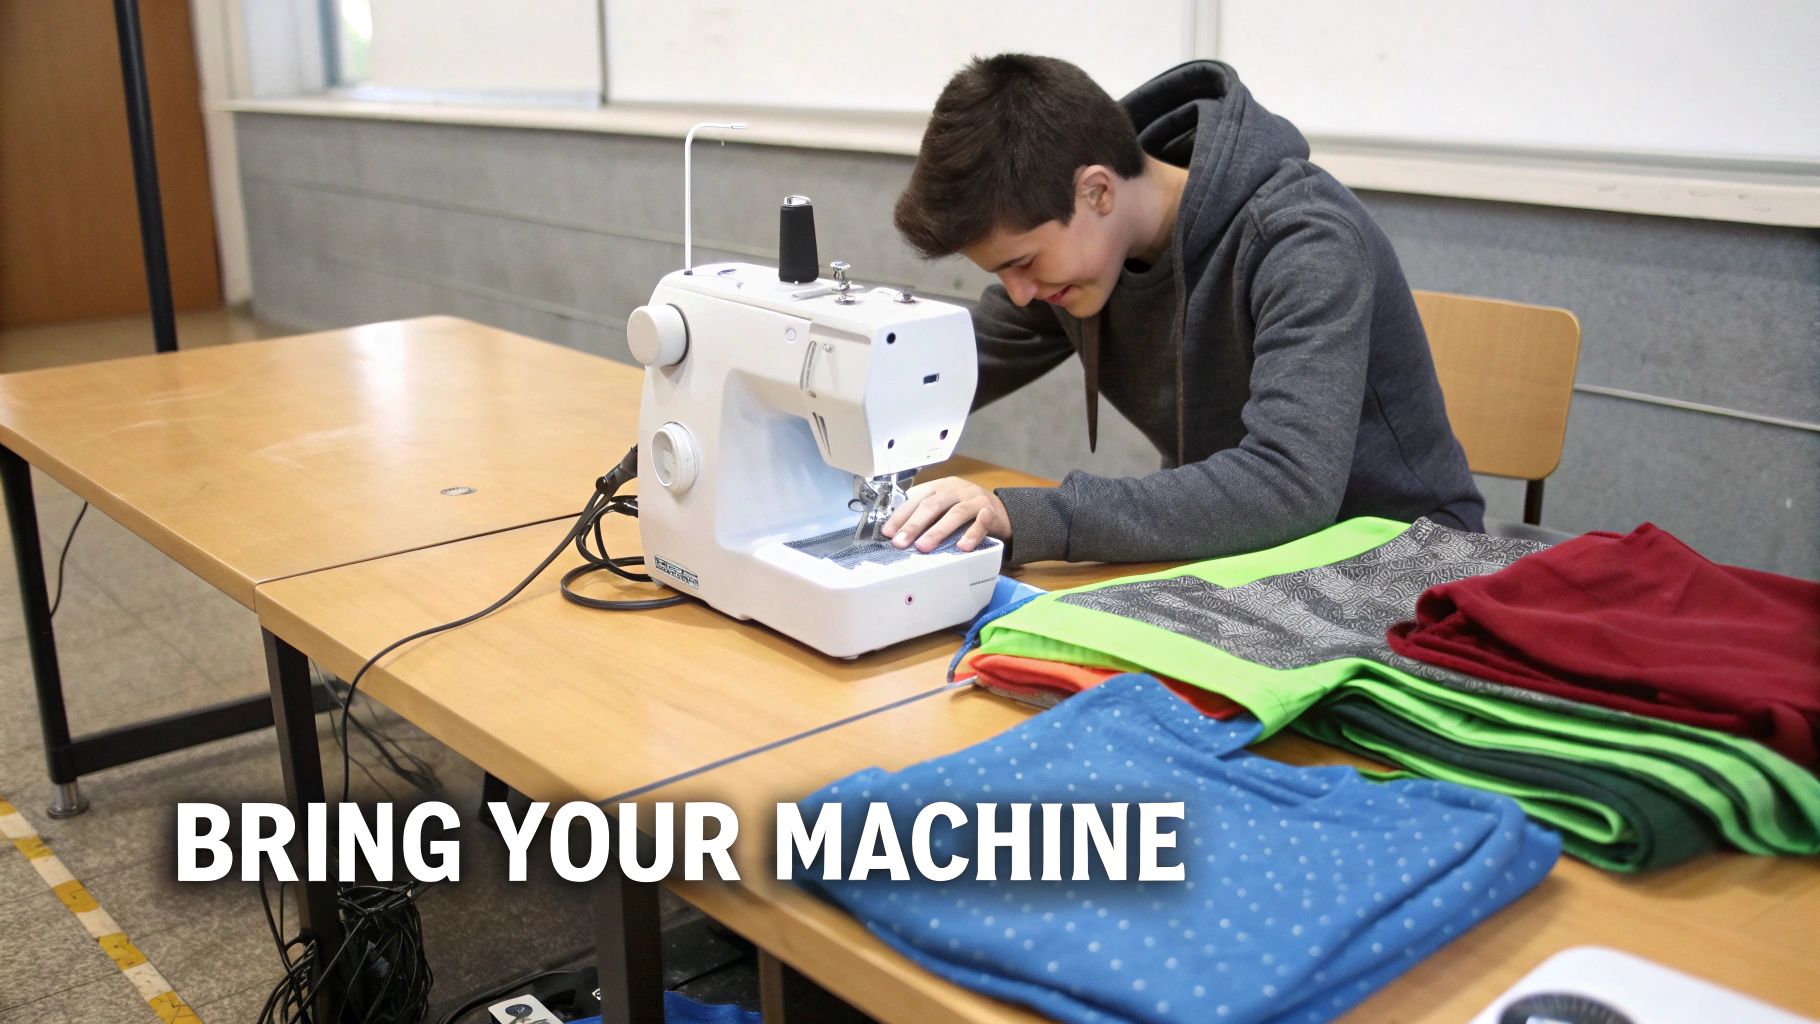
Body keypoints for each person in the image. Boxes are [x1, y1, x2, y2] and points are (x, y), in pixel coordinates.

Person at [881, 55, 1483, 565]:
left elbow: (1288, 485)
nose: (1017, 293)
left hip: (1402, 557)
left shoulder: (1303, 240)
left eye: (1023, 262)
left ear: (1096, 191)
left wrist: (1031, 514)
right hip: (1248, 558)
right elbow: (949, 368)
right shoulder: (1077, 257)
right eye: (1000, 273)